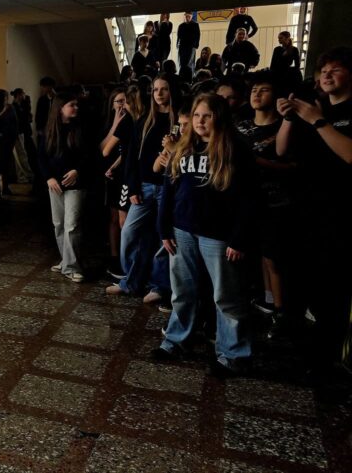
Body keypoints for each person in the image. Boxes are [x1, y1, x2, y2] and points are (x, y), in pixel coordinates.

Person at [155, 93, 255, 378]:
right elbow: (169, 190)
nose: (199, 121)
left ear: (218, 118)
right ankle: (177, 340)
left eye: (207, 116)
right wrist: (164, 228)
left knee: (226, 296)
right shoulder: (184, 148)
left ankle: (233, 354)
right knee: (182, 291)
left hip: (219, 235)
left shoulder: (236, 149)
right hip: (182, 230)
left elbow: (248, 199)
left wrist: (239, 237)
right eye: (197, 115)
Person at [277, 47, 352, 378]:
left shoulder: (333, 114)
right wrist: (289, 118)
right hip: (307, 210)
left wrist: (317, 121)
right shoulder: (315, 108)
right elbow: (282, 150)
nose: (327, 75)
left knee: (335, 291)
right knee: (306, 285)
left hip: (341, 214)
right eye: (324, 70)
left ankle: (333, 361)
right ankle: (309, 353)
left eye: (336, 69)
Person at [235, 71, 295, 338]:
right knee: (256, 254)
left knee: (274, 258)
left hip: (274, 201)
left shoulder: (284, 125)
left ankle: (282, 312)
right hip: (244, 200)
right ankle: (267, 300)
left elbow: (292, 165)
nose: (257, 94)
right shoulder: (240, 127)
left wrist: (259, 163)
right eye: (254, 90)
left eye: (264, 90)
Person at [108, 75, 175, 304]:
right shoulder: (146, 120)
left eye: (164, 89)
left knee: (161, 239)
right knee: (129, 233)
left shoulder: (178, 120)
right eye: (155, 89)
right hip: (144, 186)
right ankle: (132, 280)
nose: (159, 94)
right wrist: (132, 186)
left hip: (167, 186)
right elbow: (132, 157)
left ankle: (158, 286)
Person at [38, 91, 91, 282]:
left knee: (72, 225)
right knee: (59, 224)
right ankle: (66, 260)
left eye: (76, 105)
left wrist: (77, 171)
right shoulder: (50, 130)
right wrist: (48, 178)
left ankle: (72, 266)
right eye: (71, 105)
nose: (75, 108)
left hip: (76, 184)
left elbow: (88, 155)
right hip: (56, 185)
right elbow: (41, 156)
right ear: (60, 108)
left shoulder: (81, 128)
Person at [100, 89, 132, 279]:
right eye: (119, 101)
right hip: (112, 176)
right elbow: (103, 149)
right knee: (114, 218)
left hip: (125, 175)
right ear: (112, 104)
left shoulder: (133, 121)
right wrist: (115, 124)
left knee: (125, 220)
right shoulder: (108, 124)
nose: (122, 104)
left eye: (125, 101)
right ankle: (114, 256)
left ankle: (125, 257)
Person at [10, 88, 34, 184]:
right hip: (18, 133)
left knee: (24, 154)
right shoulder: (13, 107)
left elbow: (28, 118)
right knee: (21, 155)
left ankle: (25, 175)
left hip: (24, 132)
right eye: (23, 93)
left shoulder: (23, 105)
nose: (24, 95)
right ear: (19, 95)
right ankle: (24, 176)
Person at [177, 12, 201, 80]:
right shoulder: (181, 26)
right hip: (182, 47)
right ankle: (181, 78)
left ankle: (189, 78)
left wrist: (195, 46)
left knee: (189, 63)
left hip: (191, 47)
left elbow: (198, 36)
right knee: (182, 63)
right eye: (186, 16)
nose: (187, 18)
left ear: (191, 16)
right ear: (184, 16)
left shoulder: (195, 25)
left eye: (189, 16)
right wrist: (178, 44)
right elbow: (179, 36)